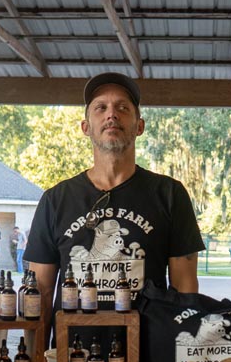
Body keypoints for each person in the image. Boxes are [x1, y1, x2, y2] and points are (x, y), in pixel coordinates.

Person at [24, 71, 204, 346]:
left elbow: (185, 290)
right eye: (101, 108)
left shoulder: (170, 195)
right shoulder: (56, 200)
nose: (111, 114)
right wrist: (36, 361)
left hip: (148, 359)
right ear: (86, 127)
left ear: (139, 126)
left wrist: (176, 359)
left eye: (123, 107)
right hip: (72, 357)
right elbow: (42, 291)